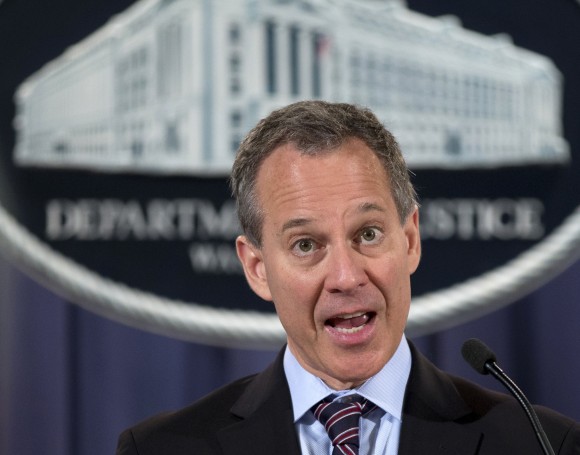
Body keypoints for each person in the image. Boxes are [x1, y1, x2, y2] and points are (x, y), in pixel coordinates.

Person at [116, 101, 580, 454]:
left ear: (410, 240)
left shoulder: (541, 444)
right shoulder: (163, 449)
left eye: (368, 234)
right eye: (306, 245)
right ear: (257, 268)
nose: (345, 276)